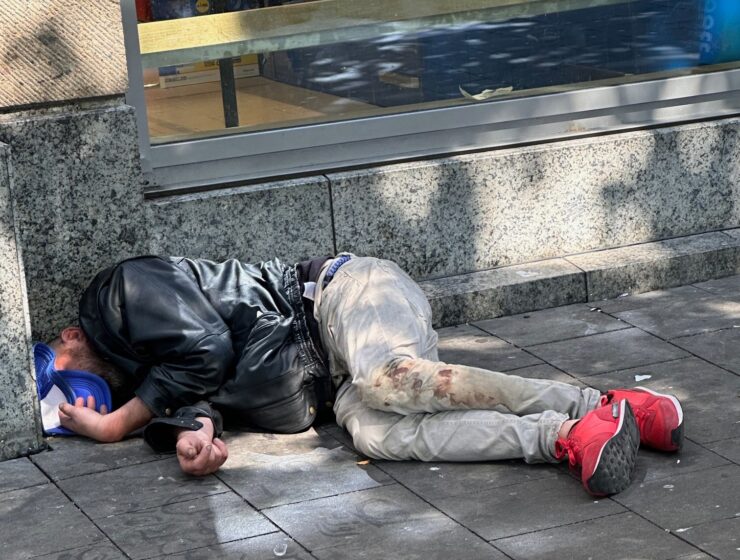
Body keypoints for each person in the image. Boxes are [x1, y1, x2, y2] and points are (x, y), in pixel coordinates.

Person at [51, 255, 684, 496]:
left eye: (55, 372)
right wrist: (199, 435)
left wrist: (116, 424)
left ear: (71, 336)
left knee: (386, 379)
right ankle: (567, 436)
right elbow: (204, 385)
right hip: (336, 379)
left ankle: (595, 400)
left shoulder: (117, 294)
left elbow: (208, 348)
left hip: (341, 295)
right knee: (377, 435)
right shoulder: (151, 381)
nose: (68, 394)